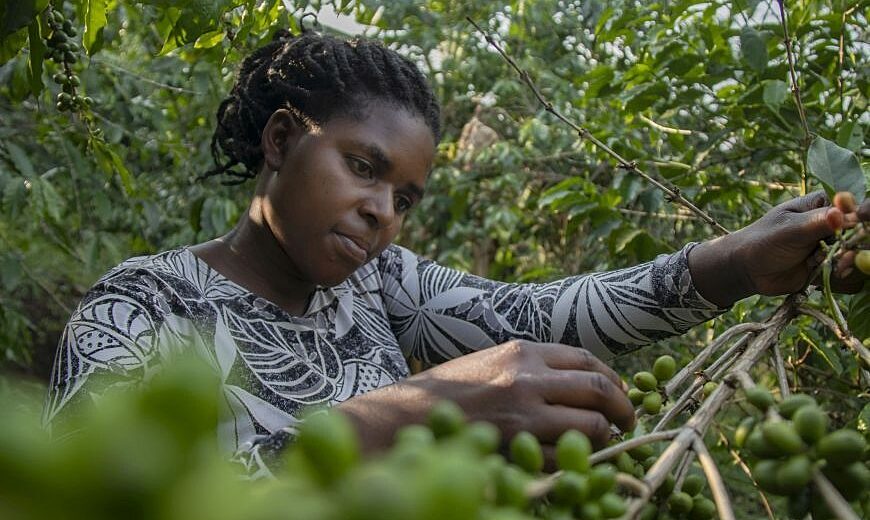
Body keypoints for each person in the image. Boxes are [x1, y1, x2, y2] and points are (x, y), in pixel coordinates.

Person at [43, 29, 869, 478]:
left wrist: (736, 264)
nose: (381, 212)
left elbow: (541, 317)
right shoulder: (139, 308)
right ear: (283, 139)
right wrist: (417, 412)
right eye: (362, 167)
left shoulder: (378, 284)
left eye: (404, 199)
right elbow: (99, 500)